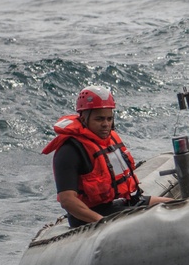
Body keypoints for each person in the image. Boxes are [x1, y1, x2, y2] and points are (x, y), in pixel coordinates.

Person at [43, 86, 172, 228]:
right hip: (92, 215)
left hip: (120, 204)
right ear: (84, 119)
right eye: (99, 119)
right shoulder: (70, 151)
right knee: (156, 218)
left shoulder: (109, 141)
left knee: (174, 205)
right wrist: (103, 223)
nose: (105, 124)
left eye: (109, 119)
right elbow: (67, 200)